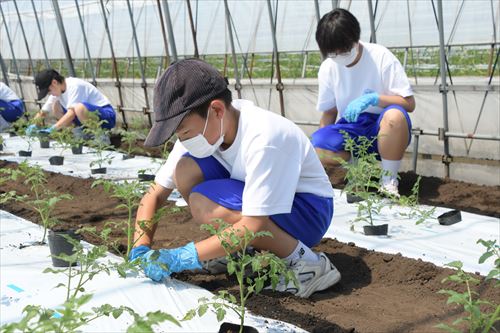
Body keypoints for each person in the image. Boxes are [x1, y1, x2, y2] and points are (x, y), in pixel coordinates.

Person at [129, 59, 341, 298]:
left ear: (217, 110)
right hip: (268, 208)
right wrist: (140, 248)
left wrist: (181, 257)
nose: (182, 139)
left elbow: (254, 224)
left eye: (185, 132)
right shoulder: (207, 126)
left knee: (204, 203)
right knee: (186, 169)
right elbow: (155, 194)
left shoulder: (265, 137)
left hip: (306, 211)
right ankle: (236, 253)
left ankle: (307, 264)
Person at [312, 8, 416, 197]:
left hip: (382, 127)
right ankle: (358, 170)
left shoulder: (381, 57)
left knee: (394, 115)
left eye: (343, 51)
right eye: (332, 53)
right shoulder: (328, 68)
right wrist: (320, 152)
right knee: (316, 147)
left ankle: (388, 180)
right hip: (352, 128)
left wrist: (375, 99)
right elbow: (329, 112)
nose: (338, 56)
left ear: (355, 39)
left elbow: (409, 103)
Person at [26, 69, 116, 138]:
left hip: (105, 117)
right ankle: (79, 135)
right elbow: (43, 112)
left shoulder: (74, 86)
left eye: (49, 91)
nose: (50, 94)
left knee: (79, 108)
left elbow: (71, 114)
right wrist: (33, 125)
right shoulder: (58, 91)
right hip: (84, 118)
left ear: (54, 82)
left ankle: (100, 137)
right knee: (55, 106)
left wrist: (52, 129)